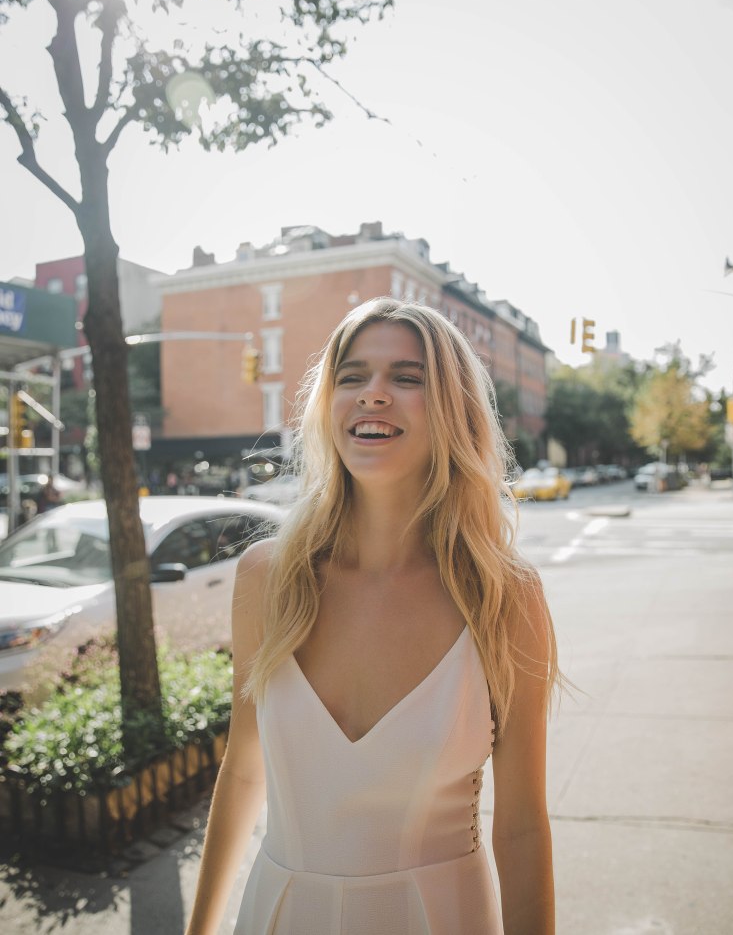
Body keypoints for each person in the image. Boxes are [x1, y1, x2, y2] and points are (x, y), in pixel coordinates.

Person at [186, 298, 562, 935]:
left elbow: (522, 824)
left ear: (454, 409)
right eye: (352, 376)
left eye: (407, 378)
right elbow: (244, 765)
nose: (373, 395)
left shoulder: (505, 597)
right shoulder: (266, 577)